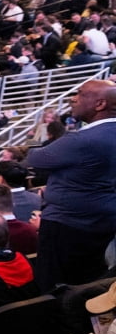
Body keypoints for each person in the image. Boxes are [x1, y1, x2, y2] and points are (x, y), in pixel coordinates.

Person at [26, 79, 116, 290]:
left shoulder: (83, 139)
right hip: (104, 223)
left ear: (100, 104)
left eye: (80, 94)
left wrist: (35, 143)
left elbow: (35, 158)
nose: (73, 98)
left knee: (54, 289)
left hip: (67, 229)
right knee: (88, 286)